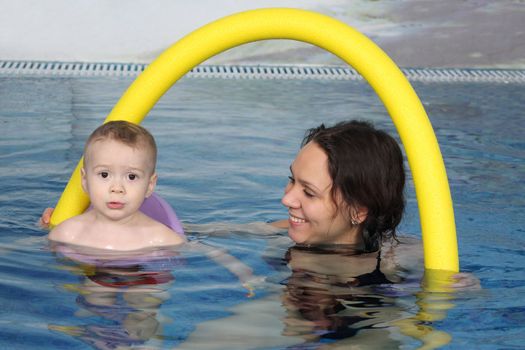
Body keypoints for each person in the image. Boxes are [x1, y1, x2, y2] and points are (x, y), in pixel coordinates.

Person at [47, 120, 185, 250]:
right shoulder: (66, 234)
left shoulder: (163, 240)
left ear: (150, 185)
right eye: (104, 175)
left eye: (131, 176)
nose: (117, 188)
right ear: (85, 180)